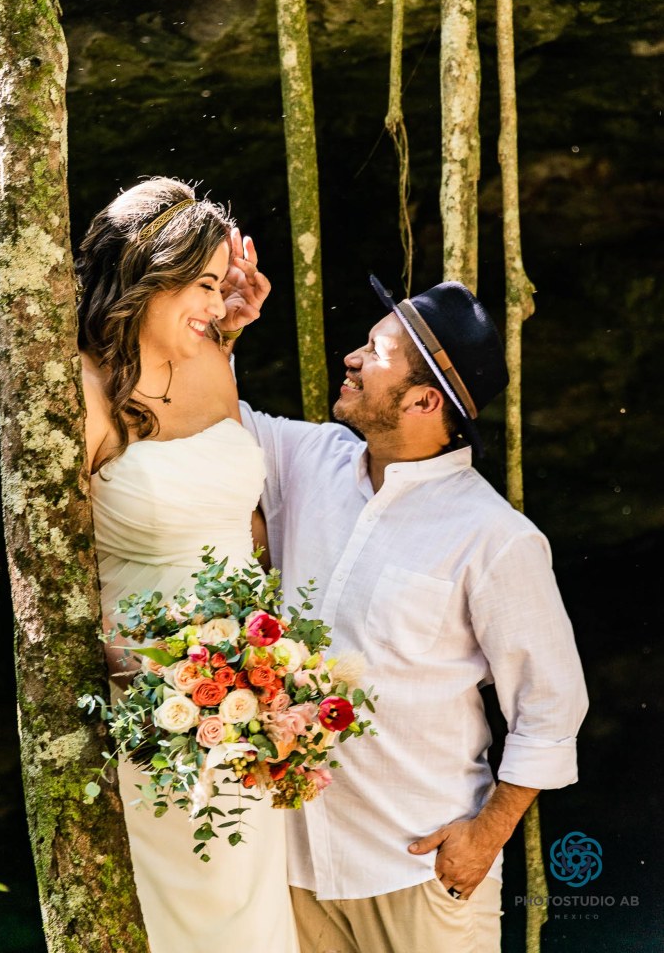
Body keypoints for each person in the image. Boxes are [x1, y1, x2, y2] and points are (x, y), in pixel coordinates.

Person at [237, 273, 589, 953]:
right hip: (293, 860)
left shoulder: (494, 536)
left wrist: (485, 837)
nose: (352, 358)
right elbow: (214, 420)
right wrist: (225, 326)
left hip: (418, 867)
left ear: (425, 399)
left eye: (376, 351)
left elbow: (551, 706)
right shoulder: (310, 459)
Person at [78, 177, 298, 953]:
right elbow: (54, 573)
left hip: (248, 701)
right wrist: (147, 673)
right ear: (149, 273)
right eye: (202, 284)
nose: (215, 302)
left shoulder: (211, 359)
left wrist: (270, 668)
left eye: (218, 284)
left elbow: (242, 518)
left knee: (251, 903)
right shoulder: (80, 391)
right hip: (151, 712)